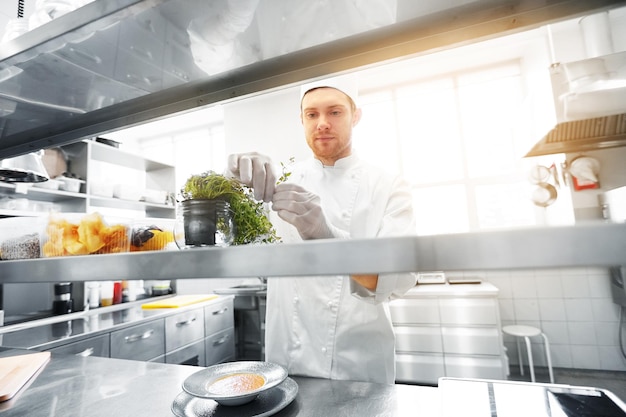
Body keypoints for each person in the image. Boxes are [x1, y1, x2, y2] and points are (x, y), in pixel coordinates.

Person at [225, 76, 416, 384]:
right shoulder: (281, 183)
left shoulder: (388, 185)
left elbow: (396, 280)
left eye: (335, 112)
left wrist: (328, 238)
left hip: (357, 368)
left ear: (356, 116)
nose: (322, 123)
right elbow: (234, 242)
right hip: (286, 362)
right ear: (301, 120)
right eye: (312, 114)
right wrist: (231, 184)